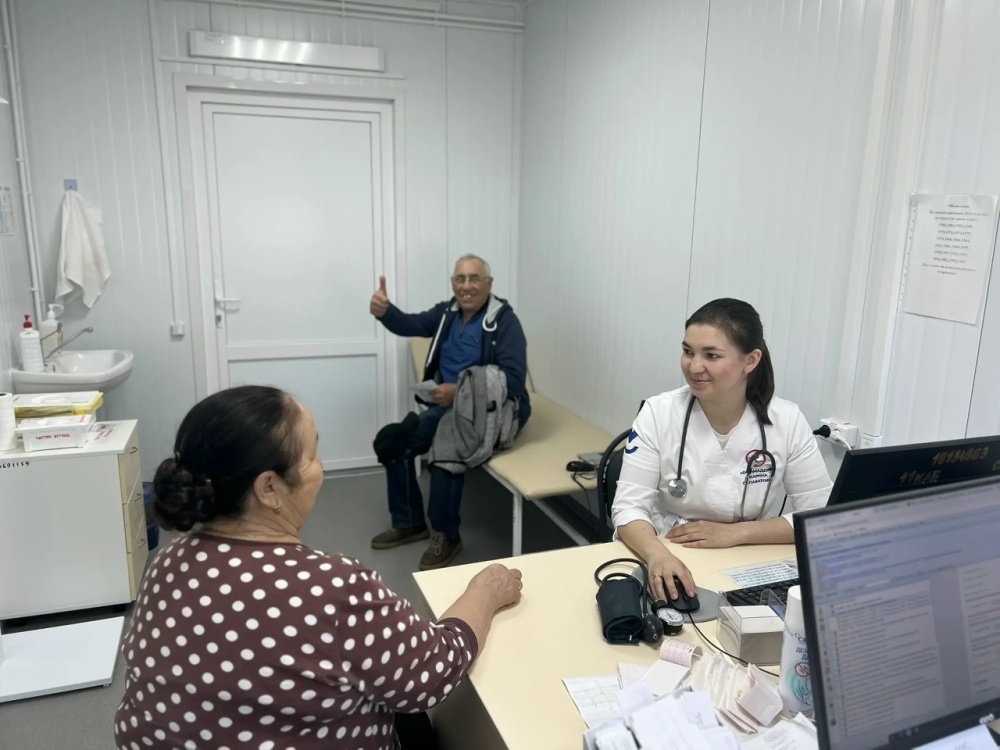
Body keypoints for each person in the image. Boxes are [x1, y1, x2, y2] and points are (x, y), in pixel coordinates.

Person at [113, 385, 523, 750]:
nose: (320, 467)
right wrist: (483, 595)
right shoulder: (331, 589)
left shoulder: (166, 562)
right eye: (312, 456)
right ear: (269, 488)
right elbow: (432, 673)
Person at [611, 298, 831, 604]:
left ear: (750, 361)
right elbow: (628, 507)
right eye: (688, 352)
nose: (694, 367)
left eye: (711, 355)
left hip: (753, 560)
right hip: (673, 553)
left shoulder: (787, 420)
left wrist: (737, 533)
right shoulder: (658, 413)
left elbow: (820, 517)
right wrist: (656, 554)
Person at [368, 254, 530, 570]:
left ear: (489, 284)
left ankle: (447, 535)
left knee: (445, 448)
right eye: (460, 278)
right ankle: (410, 522)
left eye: (474, 278)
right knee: (395, 443)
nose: (466, 286)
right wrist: (385, 312)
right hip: (447, 407)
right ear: (453, 283)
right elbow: (411, 323)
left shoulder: (505, 322)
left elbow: (513, 380)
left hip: (489, 412)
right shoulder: (448, 313)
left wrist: (459, 391)